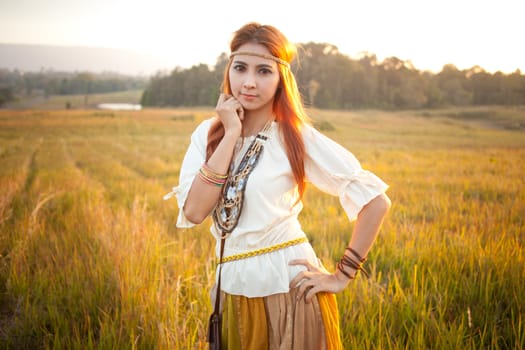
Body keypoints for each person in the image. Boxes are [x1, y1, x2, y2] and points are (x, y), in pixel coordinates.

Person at [164, 22, 391, 349]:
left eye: (264, 71)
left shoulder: (294, 137)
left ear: (281, 77)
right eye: (240, 68)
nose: (249, 82)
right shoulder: (207, 134)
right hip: (232, 290)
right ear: (228, 70)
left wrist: (342, 275)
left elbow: (375, 202)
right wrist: (230, 134)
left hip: (289, 289)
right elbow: (196, 210)